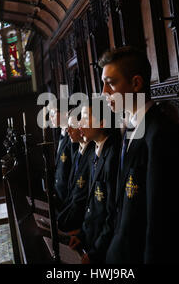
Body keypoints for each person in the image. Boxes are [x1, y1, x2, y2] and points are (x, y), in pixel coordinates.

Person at [101, 46, 179, 264]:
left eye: (110, 83)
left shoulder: (159, 133)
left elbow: (159, 217)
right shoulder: (128, 128)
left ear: (136, 83)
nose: (104, 92)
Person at [69, 98, 120, 264]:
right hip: (90, 240)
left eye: (85, 118)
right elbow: (91, 205)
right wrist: (82, 235)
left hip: (104, 251)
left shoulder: (112, 155)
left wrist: (96, 252)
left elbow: (112, 213)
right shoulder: (95, 150)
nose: (79, 124)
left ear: (102, 122)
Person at [57, 112, 95, 233]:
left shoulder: (92, 153)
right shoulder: (77, 151)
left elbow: (84, 196)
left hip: (81, 221)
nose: (68, 130)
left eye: (72, 126)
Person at [49, 105, 75, 209]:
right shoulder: (60, 134)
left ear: (64, 113)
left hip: (68, 192)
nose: (50, 118)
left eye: (52, 114)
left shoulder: (72, 136)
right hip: (60, 192)